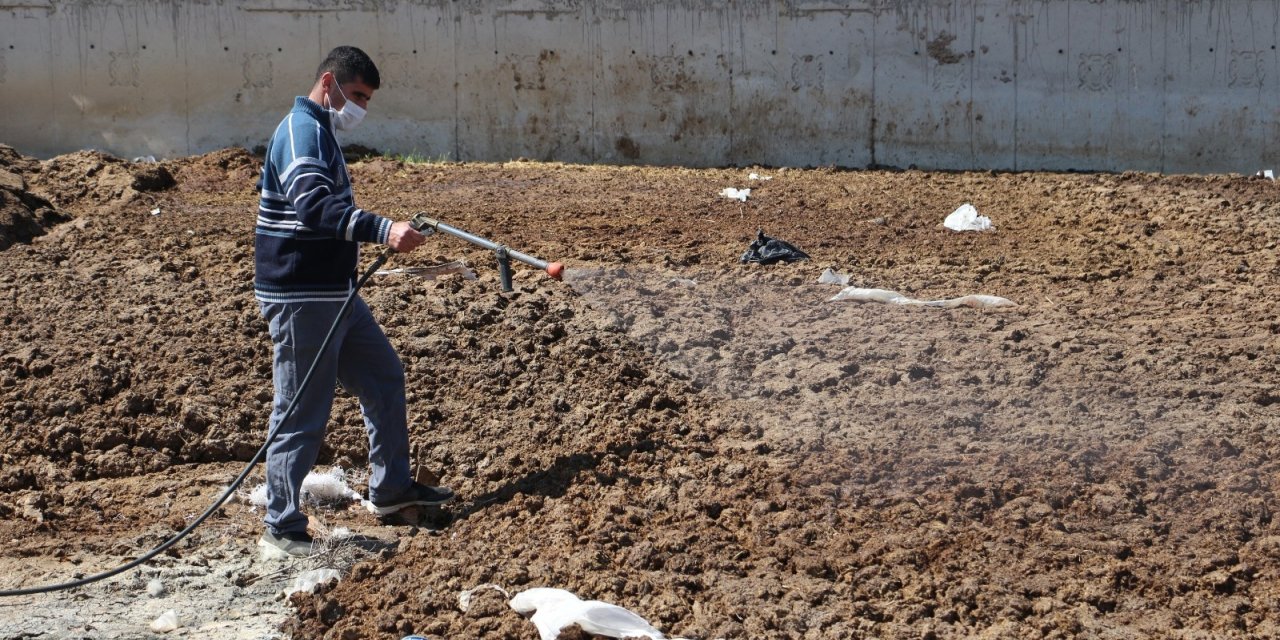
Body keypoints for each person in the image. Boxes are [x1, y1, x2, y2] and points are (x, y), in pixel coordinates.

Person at [254, 45, 454, 557]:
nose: (360, 106)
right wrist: (384, 230)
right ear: (330, 83)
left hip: (334, 293)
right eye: (357, 95)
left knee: (383, 375)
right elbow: (316, 206)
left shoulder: (321, 132)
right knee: (301, 408)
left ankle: (390, 490)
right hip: (302, 295)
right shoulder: (302, 132)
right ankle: (281, 523)